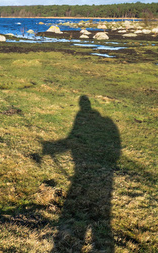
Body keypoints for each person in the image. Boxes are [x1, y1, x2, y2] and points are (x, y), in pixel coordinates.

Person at [43, 95, 121, 252]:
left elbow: (71, 140)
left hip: (88, 171)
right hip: (94, 171)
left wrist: (51, 147)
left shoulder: (86, 121)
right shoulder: (102, 123)